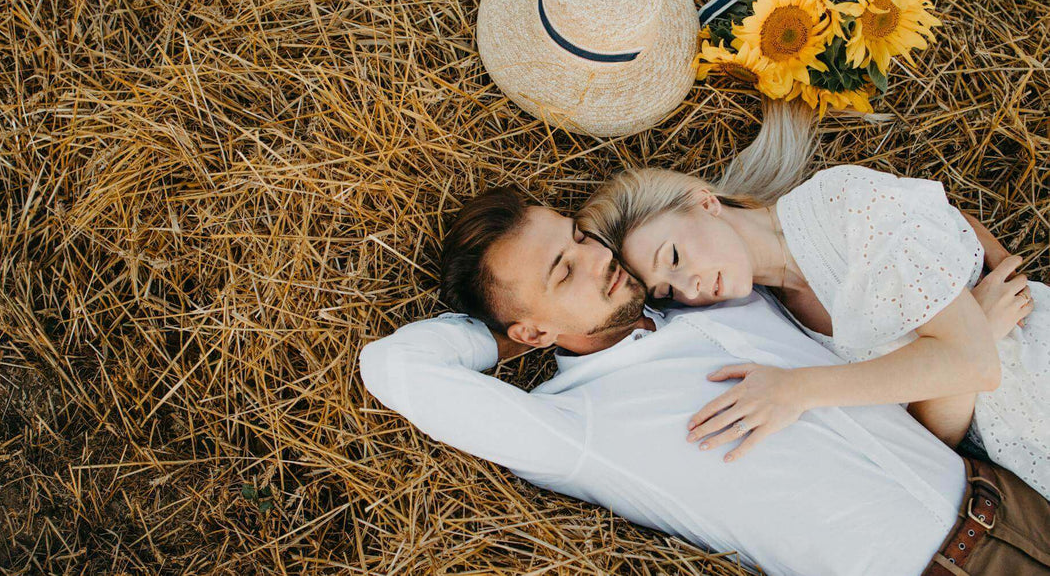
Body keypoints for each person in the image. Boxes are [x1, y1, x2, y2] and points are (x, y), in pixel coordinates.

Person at [359, 108, 1050, 574]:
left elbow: (888, 243)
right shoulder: (574, 425)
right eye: (563, 272)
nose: (596, 260)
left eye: (577, 238)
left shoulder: (723, 295)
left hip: (1011, 491)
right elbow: (393, 367)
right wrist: (507, 346)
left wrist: (965, 314)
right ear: (533, 327)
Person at [578, 162, 1048, 504]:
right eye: (669, 290)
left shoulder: (838, 202)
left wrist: (798, 390)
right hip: (1020, 467)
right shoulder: (773, 316)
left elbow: (975, 364)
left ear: (706, 204)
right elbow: (931, 441)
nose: (690, 288)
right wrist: (974, 331)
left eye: (675, 258)